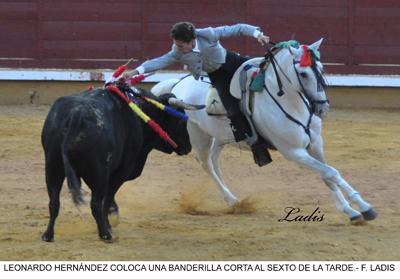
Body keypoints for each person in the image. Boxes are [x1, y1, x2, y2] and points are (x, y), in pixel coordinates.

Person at [124, 22, 271, 166]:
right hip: (218, 77)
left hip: (235, 63)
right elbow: (159, 61)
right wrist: (135, 72)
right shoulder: (177, 51)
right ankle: (257, 146)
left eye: (181, 45)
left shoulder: (208, 34)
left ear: (192, 41)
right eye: (177, 45)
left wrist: (258, 34)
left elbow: (238, 28)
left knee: (267, 79)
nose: (178, 48)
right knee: (232, 111)